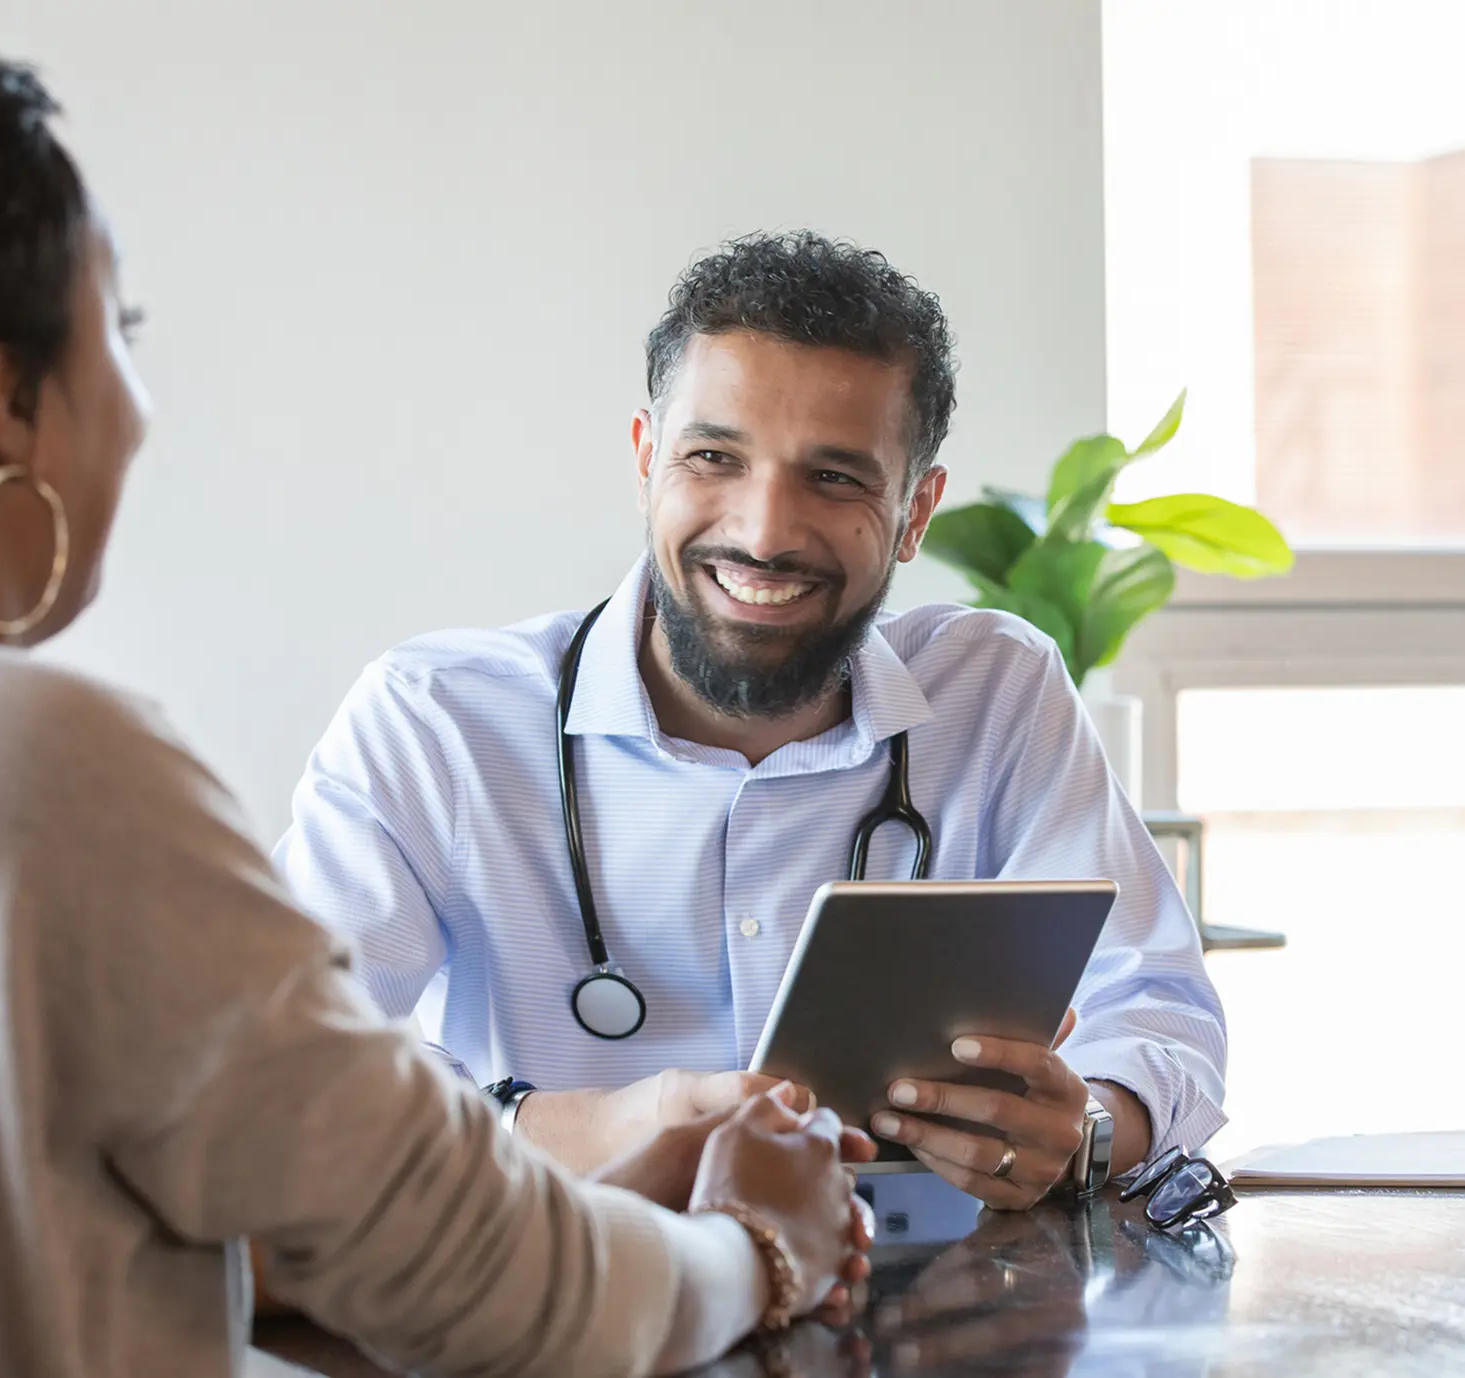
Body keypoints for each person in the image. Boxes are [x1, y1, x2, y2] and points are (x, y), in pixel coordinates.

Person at [0, 38, 870, 1378]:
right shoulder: (45, 767)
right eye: (120, 336)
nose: (137, 412)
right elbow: (497, 1288)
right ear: (8, 398)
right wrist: (755, 1242)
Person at [276, 231, 1230, 1209]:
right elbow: (288, 1065)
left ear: (914, 510)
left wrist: (1090, 1122)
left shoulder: (996, 695)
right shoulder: (436, 721)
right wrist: (560, 1126)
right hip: (568, 1304)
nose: (764, 531)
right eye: (712, 456)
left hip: (927, 1311)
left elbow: (1157, 1007)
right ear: (647, 459)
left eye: (834, 477)